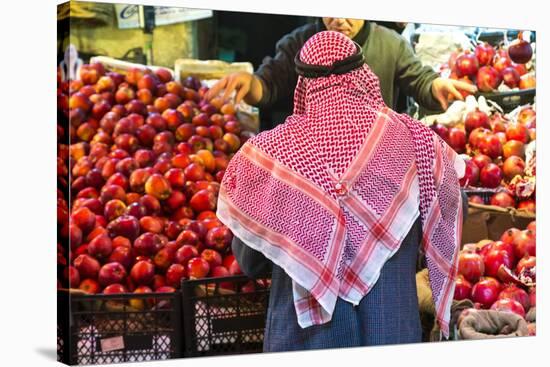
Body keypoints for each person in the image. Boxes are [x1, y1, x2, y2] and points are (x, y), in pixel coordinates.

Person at [216, 31, 467, 352]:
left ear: (303, 84)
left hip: (305, 342)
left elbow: (250, 261)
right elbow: (451, 212)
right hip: (392, 332)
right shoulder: (416, 140)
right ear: (364, 74)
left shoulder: (270, 155)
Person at [206, 17, 477, 130]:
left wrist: (435, 87)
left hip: (376, 159)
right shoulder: (300, 42)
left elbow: (420, 80)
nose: (339, 20)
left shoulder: (391, 44)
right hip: (315, 162)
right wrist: (250, 84)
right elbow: (269, 83)